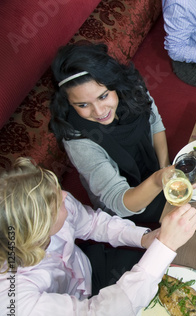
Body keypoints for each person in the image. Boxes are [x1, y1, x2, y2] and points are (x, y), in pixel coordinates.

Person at [0, 157, 196, 316]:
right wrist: (164, 246)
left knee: (173, 275)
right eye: (56, 203)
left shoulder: (60, 201)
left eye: (58, 190)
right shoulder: (10, 304)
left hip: (90, 267)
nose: (66, 197)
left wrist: (143, 238)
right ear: (36, 231)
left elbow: (93, 223)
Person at [50, 43, 171, 225]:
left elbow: (155, 123)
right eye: (82, 105)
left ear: (115, 84)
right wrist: (159, 181)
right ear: (68, 103)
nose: (99, 111)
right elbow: (119, 202)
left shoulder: (132, 89)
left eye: (103, 96)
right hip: (127, 205)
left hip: (155, 172)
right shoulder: (77, 140)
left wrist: (164, 167)